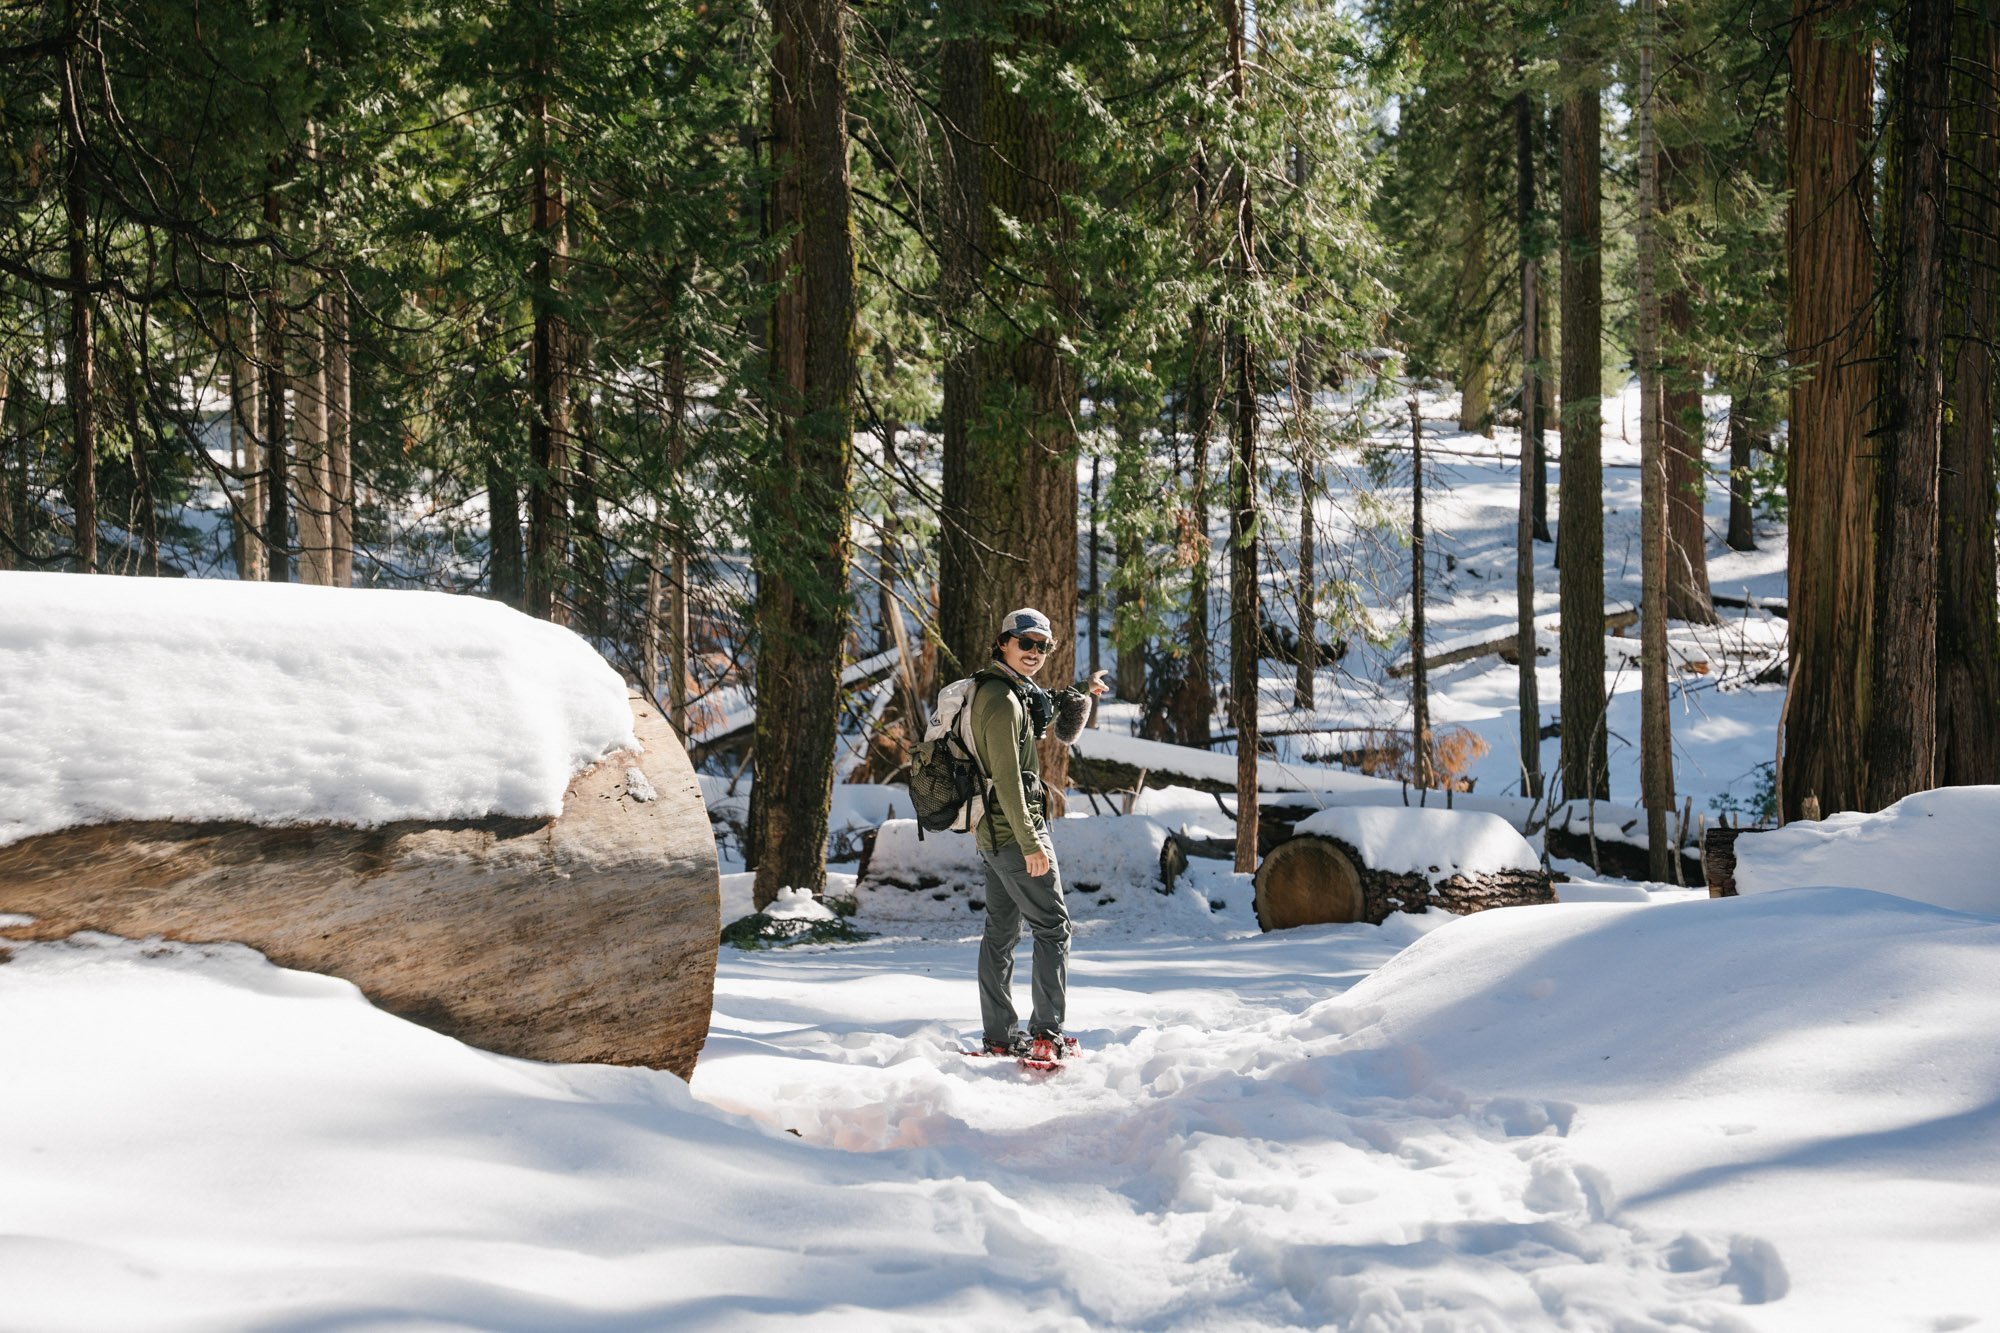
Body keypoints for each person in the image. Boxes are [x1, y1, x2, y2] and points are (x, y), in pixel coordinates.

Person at [970, 607, 1108, 1064]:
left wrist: (1082, 690)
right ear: (1003, 642)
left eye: (1042, 646)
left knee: (1002, 932)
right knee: (1054, 927)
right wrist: (1031, 843)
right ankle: (1046, 1034)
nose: (1034, 653)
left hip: (995, 831)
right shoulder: (1001, 701)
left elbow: (1044, 704)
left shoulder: (1007, 691)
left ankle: (999, 1036)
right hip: (1014, 830)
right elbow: (1007, 779)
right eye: (1025, 643)